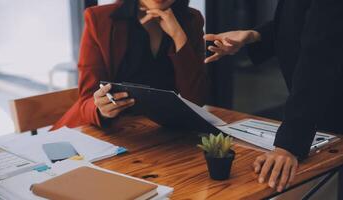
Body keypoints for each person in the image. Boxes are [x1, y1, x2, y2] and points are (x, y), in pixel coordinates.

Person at [204, 0, 343, 193]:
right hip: (320, 111)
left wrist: (289, 146)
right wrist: (254, 35)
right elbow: (299, 20)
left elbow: (320, 58)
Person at [52, 0, 209, 130]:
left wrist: (178, 36)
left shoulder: (192, 20)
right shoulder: (99, 19)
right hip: (94, 133)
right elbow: (86, 99)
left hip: (154, 136)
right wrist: (100, 108)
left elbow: (195, 99)